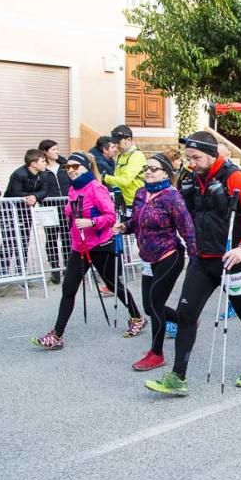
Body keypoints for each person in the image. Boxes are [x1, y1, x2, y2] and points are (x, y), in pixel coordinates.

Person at [145, 131, 241, 395]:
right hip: (202, 259)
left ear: (212, 154)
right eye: (188, 158)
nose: (192, 163)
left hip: (232, 260)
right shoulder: (190, 179)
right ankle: (178, 377)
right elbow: (182, 214)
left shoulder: (235, 177)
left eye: (196, 157)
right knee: (186, 314)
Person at [32, 152, 144, 350]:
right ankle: (57, 335)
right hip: (79, 247)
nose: (71, 171)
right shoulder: (74, 189)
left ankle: (137, 317)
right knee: (69, 289)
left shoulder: (96, 188)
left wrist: (91, 222)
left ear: (85, 167)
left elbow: (110, 217)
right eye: (68, 167)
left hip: (100, 246)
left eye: (75, 167)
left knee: (113, 284)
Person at [115, 153, 196, 371]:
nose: (148, 172)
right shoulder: (141, 192)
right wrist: (125, 227)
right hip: (147, 259)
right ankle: (185, 320)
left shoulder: (172, 197)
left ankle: (157, 353)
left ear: (166, 173)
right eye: (146, 168)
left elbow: (187, 229)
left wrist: (195, 259)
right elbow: (136, 221)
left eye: (154, 168)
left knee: (156, 305)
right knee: (149, 307)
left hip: (169, 256)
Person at [0, 149, 48, 277]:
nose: (46, 163)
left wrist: (35, 197)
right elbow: (14, 192)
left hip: (26, 211)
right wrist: (30, 196)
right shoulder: (19, 174)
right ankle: (2, 272)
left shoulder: (44, 174)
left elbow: (45, 190)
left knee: (24, 240)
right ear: (33, 163)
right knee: (9, 240)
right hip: (10, 210)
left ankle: (21, 271)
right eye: (43, 161)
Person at [38, 140, 71, 284]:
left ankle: (68, 267)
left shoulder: (65, 165)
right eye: (53, 149)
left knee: (67, 238)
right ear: (45, 152)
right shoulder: (40, 168)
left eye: (57, 149)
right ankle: (55, 269)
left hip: (65, 206)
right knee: (51, 239)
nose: (57, 152)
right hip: (48, 208)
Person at [104, 125, 146, 219]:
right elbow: (117, 177)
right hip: (121, 202)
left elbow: (125, 180)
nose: (117, 145)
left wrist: (105, 178)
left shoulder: (137, 156)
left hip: (135, 203)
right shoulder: (120, 156)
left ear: (128, 139)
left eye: (118, 142)